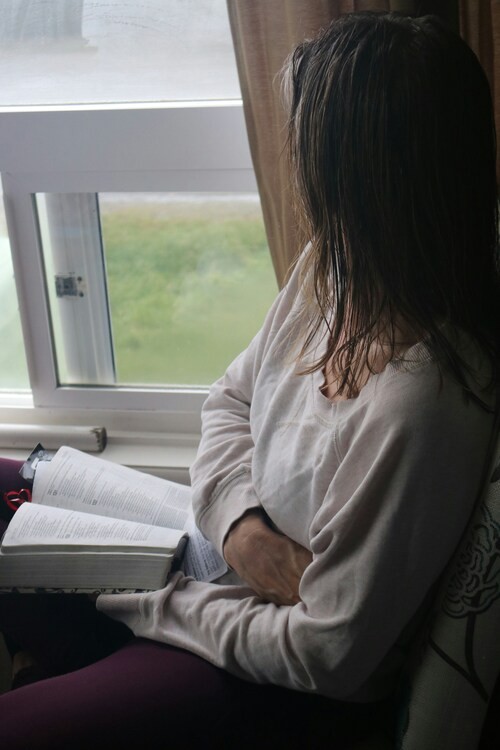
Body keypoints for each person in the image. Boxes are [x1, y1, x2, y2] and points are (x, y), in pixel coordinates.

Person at [0, 11, 499, 749]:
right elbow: (229, 403)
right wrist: (241, 530)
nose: (295, 170)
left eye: (306, 150)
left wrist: (160, 603)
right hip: (217, 566)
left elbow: (326, 652)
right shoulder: (333, 269)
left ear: (357, 178)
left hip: (280, 682)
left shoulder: (422, 405)